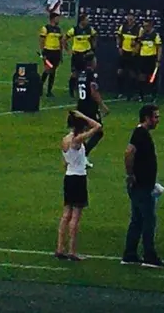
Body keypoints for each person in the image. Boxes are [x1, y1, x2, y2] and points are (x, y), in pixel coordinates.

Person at [56, 110, 102, 262]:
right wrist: (84, 116)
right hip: (78, 178)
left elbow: (64, 162)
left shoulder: (65, 140)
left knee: (66, 214)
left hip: (69, 177)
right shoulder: (77, 140)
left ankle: (60, 248)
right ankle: (72, 251)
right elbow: (97, 127)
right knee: (75, 216)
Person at [123, 104, 164, 268]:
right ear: (147, 118)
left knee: (137, 220)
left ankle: (130, 253)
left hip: (142, 184)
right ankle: (149, 255)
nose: (157, 120)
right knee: (148, 220)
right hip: (141, 185)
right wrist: (131, 174)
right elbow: (128, 152)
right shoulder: (140, 134)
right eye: (156, 117)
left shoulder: (141, 133)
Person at [75, 55, 109, 158]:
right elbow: (93, 91)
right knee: (98, 131)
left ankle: (81, 155)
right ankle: (84, 155)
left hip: (81, 105)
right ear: (92, 62)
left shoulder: (81, 74)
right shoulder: (91, 74)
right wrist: (102, 106)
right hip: (90, 107)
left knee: (82, 131)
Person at [65, 14, 97, 98]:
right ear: (82, 21)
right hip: (77, 54)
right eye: (86, 20)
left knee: (87, 73)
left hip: (86, 54)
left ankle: (87, 91)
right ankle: (71, 92)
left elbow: (94, 37)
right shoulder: (74, 30)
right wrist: (68, 50)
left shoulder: (90, 29)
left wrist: (92, 49)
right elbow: (64, 39)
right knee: (74, 74)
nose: (87, 21)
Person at [39, 13, 65, 98]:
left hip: (56, 53)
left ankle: (49, 91)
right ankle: (39, 87)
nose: (59, 20)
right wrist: (43, 52)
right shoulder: (46, 28)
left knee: (53, 71)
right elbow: (42, 41)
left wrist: (61, 54)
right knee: (47, 69)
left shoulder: (59, 29)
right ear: (53, 19)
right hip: (48, 52)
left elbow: (61, 42)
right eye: (57, 18)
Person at [116, 12, 142, 100]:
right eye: (128, 18)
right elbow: (119, 38)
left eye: (132, 18)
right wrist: (119, 47)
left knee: (133, 74)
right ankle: (120, 92)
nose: (130, 19)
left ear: (134, 19)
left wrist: (136, 50)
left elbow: (139, 41)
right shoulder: (122, 27)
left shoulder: (139, 29)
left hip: (133, 54)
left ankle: (133, 93)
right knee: (120, 72)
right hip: (124, 52)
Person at [135, 19, 162, 102]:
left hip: (151, 58)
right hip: (143, 58)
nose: (145, 27)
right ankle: (141, 95)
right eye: (144, 26)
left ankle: (153, 96)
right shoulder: (142, 35)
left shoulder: (155, 35)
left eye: (146, 26)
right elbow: (137, 46)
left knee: (152, 78)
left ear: (151, 25)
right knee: (141, 77)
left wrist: (158, 60)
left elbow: (159, 48)